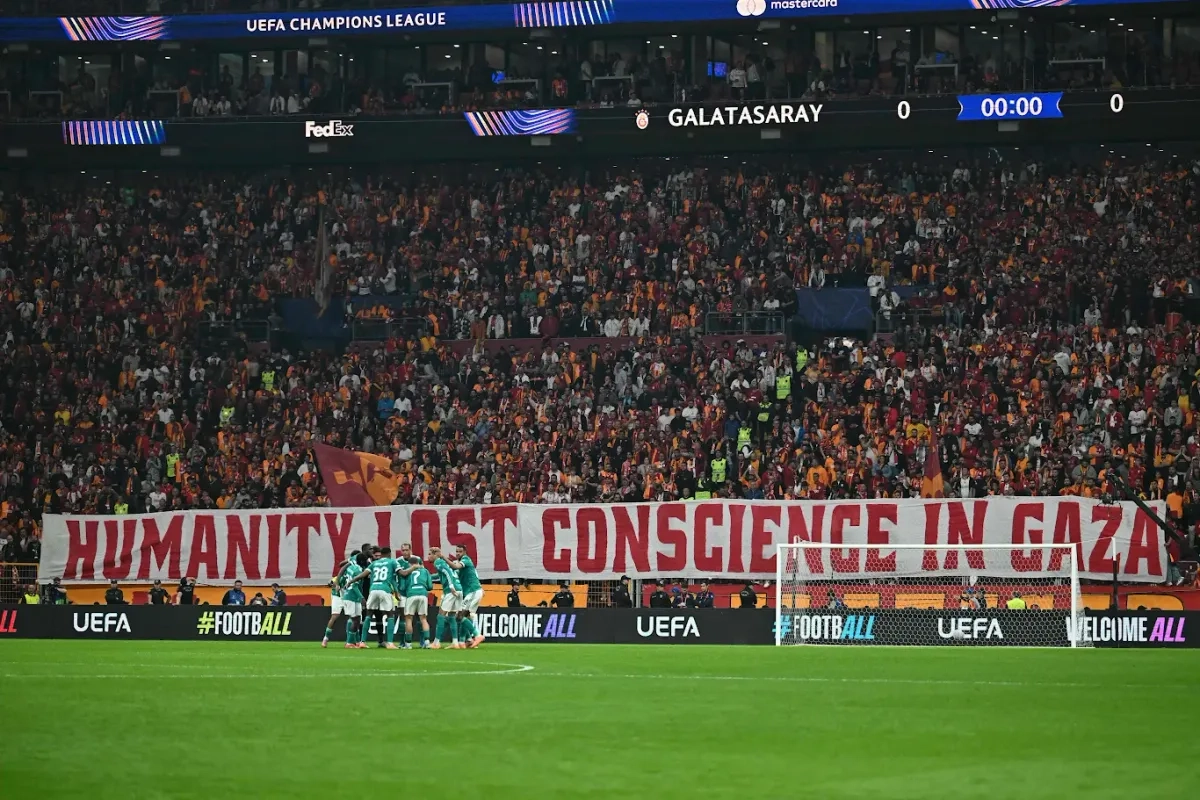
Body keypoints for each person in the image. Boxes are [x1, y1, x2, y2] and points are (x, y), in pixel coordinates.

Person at [353, 546, 400, 649]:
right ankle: (390, 643)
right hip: (385, 589)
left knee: (368, 615)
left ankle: (362, 642)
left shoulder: (374, 563)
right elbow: (399, 574)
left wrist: (351, 581)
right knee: (390, 615)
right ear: (389, 554)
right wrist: (397, 592)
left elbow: (362, 575)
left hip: (373, 589)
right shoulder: (392, 562)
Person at [447, 545, 485, 648]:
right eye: (456, 551)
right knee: (466, 616)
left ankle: (477, 635)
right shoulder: (461, 564)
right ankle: (465, 641)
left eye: (460, 552)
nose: (458, 553)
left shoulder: (466, 560)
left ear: (464, 552)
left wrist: (443, 557)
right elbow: (473, 574)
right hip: (471, 592)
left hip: (473, 591)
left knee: (460, 616)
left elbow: (455, 567)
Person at [429, 547, 464, 649]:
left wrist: (451, 587)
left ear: (435, 555)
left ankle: (436, 642)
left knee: (440, 616)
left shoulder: (438, 562)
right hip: (459, 589)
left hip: (451, 591)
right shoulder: (443, 563)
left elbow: (447, 573)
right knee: (452, 617)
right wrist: (428, 577)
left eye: (430, 554)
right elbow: (442, 575)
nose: (428, 557)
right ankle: (455, 642)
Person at [330, 551, 366, 649]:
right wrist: (361, 597)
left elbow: (342, 570)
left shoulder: (351, 567)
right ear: (362, 561)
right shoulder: (358, 571)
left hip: (353, 597)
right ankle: (349, 642)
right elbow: (354, 586)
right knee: (354, 619)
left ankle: (355, 642)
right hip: (350, 596)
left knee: (358, 619)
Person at [400, 556, 433, 650]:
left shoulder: (407, 572)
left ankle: (408, 644)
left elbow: (402, 587)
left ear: (409, 564)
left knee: (409, 619)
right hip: (423, 594)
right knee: (423, 619)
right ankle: (427, 643)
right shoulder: (425, 571)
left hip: (411, 594)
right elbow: (430, 586)